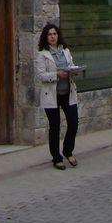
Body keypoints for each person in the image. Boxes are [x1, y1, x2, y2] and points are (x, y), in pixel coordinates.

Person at [36, 22, 79, 170]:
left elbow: (71, 64)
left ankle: (68, 150)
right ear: (45, 37)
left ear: (58, 35)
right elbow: (41, 75)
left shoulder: (65, 51)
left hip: (68, 92)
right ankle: (56, 158)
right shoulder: (42, 55)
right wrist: (56, 75)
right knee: (54, 127)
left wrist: (74, 70)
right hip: (52, 95)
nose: (53, 37)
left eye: (54, 34)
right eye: (49, 34)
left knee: (73, 122)